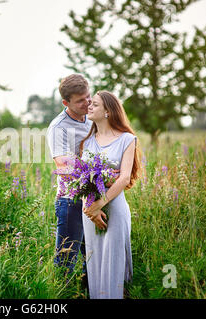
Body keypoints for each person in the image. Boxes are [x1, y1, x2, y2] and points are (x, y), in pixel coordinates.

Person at [47, 75, 119, 288]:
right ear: (66, 103)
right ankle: (62, 295)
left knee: (94, 257)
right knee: (66, 259)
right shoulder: (59, 127)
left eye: (88, 97)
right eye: (80, 101)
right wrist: (91, 198)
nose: (87, 103)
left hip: (98, 199)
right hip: (71, 201)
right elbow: (64, 168)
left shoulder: (93, 118)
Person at [79, 90, 141, 299]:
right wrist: (91, 209)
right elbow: (81, 180)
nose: (89, 106)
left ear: (107, 111)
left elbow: (123, 178)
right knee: (95, 263)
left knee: (114, 263)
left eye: (94, 104)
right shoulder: (87, 143)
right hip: (89, 212)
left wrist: (100, 204)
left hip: (115, 208)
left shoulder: (127, 139)